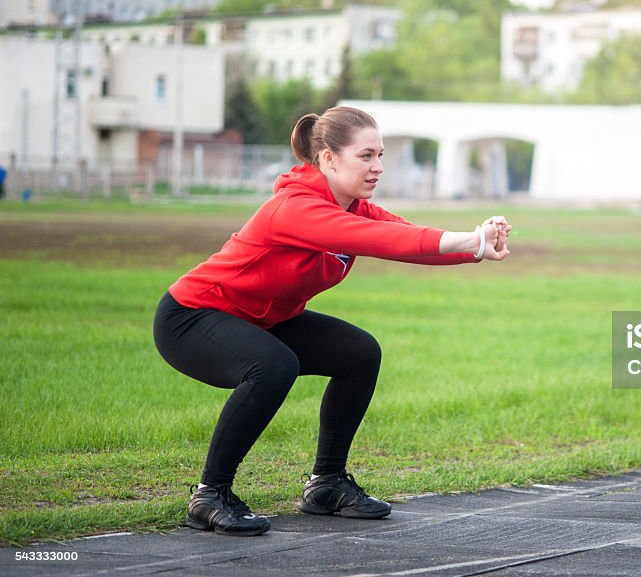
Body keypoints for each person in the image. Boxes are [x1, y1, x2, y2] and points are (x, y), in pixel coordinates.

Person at [153, 106, 511, 537]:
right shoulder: (295, 207)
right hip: (191, 317)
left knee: (358, 353)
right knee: (272, 365)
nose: (378, 167)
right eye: (366, 156)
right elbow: (379, 239)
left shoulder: (354, 206)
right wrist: (470, 237)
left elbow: (408, 239)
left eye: (380, 155)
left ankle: (326, 485)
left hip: (263, 318)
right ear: (328, 159)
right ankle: (209, 495)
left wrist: (478, 247)